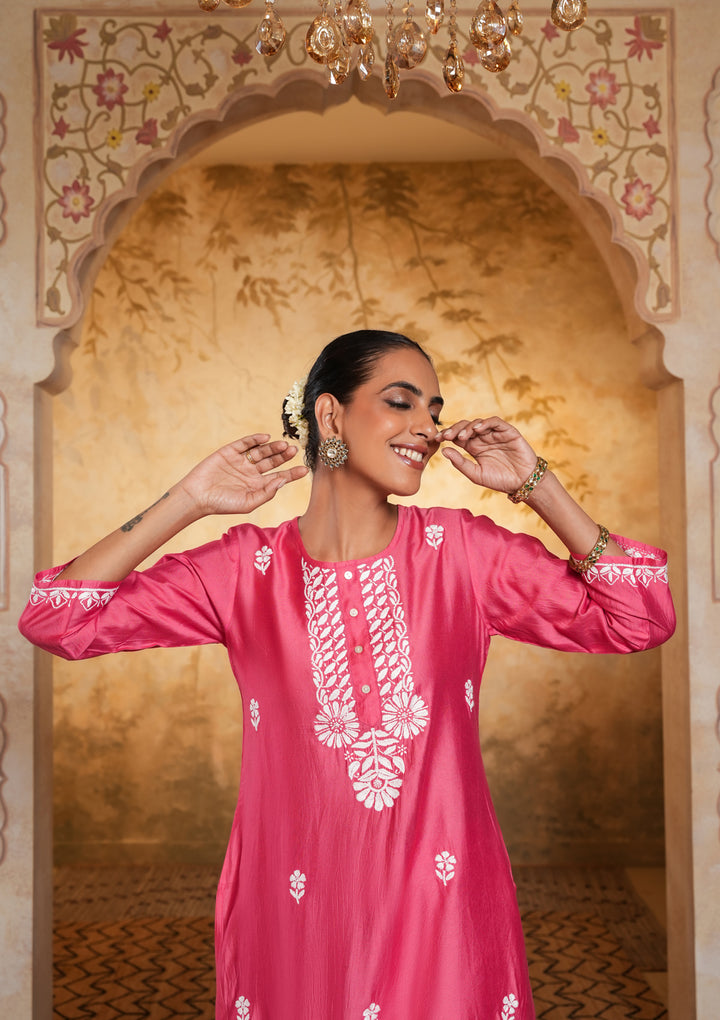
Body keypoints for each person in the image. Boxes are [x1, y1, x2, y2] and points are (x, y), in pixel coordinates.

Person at [19, 329, 675, 1019]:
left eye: (434, 409)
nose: (428, 428)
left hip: (443, 912)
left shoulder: (463, 554)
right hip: (298, 918)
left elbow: (640, 619)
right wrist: (189, 499)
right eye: (401, 402)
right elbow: (56, 619)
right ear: (330, 416)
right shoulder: (245, 571)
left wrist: (538, 486)